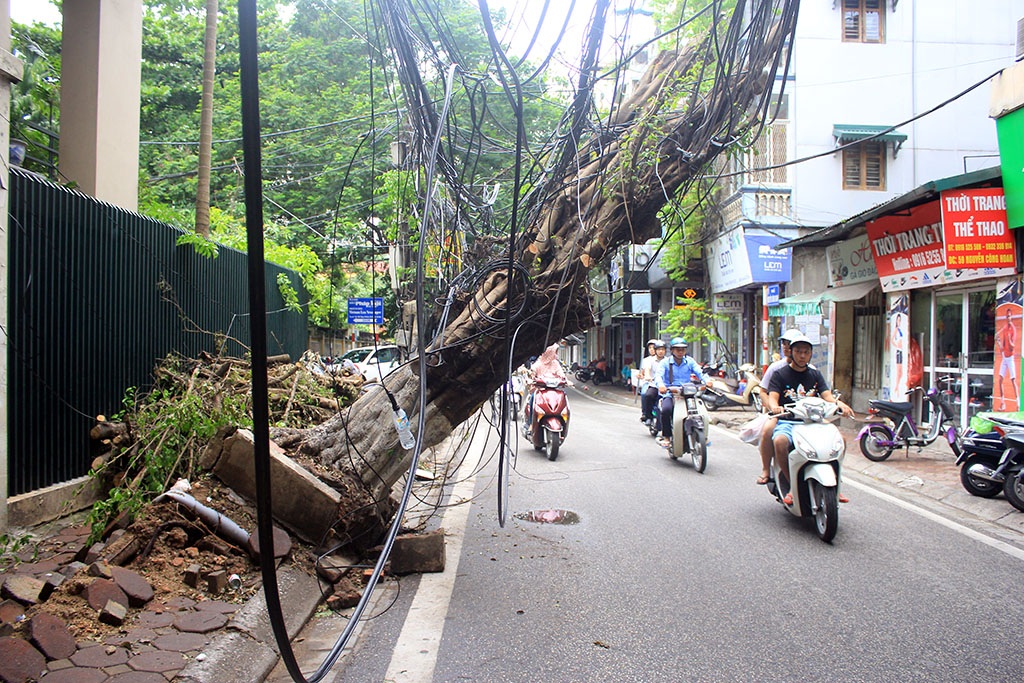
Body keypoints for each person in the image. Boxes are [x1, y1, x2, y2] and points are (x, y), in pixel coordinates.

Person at [766, 333, 854, 505]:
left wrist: (840, 405)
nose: (802, 356)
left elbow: (827, 396)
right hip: (789, 421)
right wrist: (775, 407)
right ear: (791, 352)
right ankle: (791, 485)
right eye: (798, 351)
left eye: (806, 352)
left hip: (814, 421)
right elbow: (772, 398)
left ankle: (836, 484)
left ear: (811, 354)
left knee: (840, 440)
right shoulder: (780, 374)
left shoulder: (815, 374)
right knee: (779, 441)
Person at [755, 329, 803, 485]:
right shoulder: (776, 368)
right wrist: (773, 407)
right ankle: (766, 469)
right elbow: (763, 391)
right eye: (784, 343)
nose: (786, 347)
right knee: (768, 431)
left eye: (789, 344)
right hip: (781, 414)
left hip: (804, 415)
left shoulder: (812, 371)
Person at [655, 338, 708, 448]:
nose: (680, 352)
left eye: (683, 349)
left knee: (700, 411)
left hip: (688, 393)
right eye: (677, 349)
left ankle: (704, 436)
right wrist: (661, 385)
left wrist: (708, 381)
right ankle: (666, 437)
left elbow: (700, 372)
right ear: (672, 350)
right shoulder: (665, 363)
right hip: (671, 393)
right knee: (666, 410)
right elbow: (658, 376)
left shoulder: (690, 361)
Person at [639, 340, 667, 427]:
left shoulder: (668, 361)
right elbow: (647, 369)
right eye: (659, 349)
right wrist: (647, 376)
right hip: (654, 384)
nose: (661, 351)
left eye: (662, 349)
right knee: (648, 395)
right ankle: (648, 417)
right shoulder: (650, 360)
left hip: (666, 386)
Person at [997, 309, 1018, 410]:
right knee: (1000, 379)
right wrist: (998, 341)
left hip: (1010, 357)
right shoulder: (1005, 328)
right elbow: (1003, 347)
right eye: (1007, 316)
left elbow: (1012, 347)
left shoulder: (1013, 329)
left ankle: (1018, 403)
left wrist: (1009, 339)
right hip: (1005, 357)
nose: (1008, 318)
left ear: (1011, 317)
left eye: (1010, 316)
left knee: (1013, 380)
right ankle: (1002, 403)